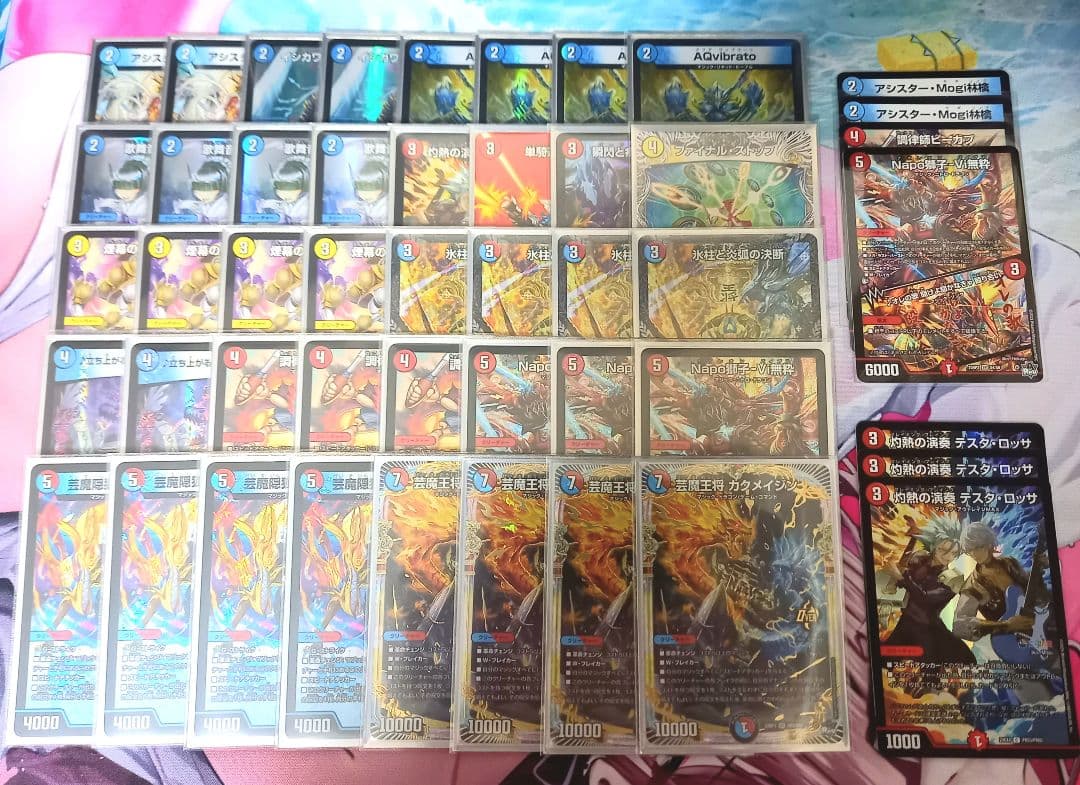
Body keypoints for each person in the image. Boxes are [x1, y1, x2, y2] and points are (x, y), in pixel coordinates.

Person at [878, 515, 975, 664]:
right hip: (905, 622)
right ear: (934, 546)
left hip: (927, 630)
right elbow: (905, 570)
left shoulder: (954, 578)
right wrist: (913, 538)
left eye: (954, 553)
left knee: (931, 666)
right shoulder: (921, 559)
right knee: (884, 661)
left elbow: (924, 598)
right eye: (943, 550)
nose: (948, 557)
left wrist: (901, 578)